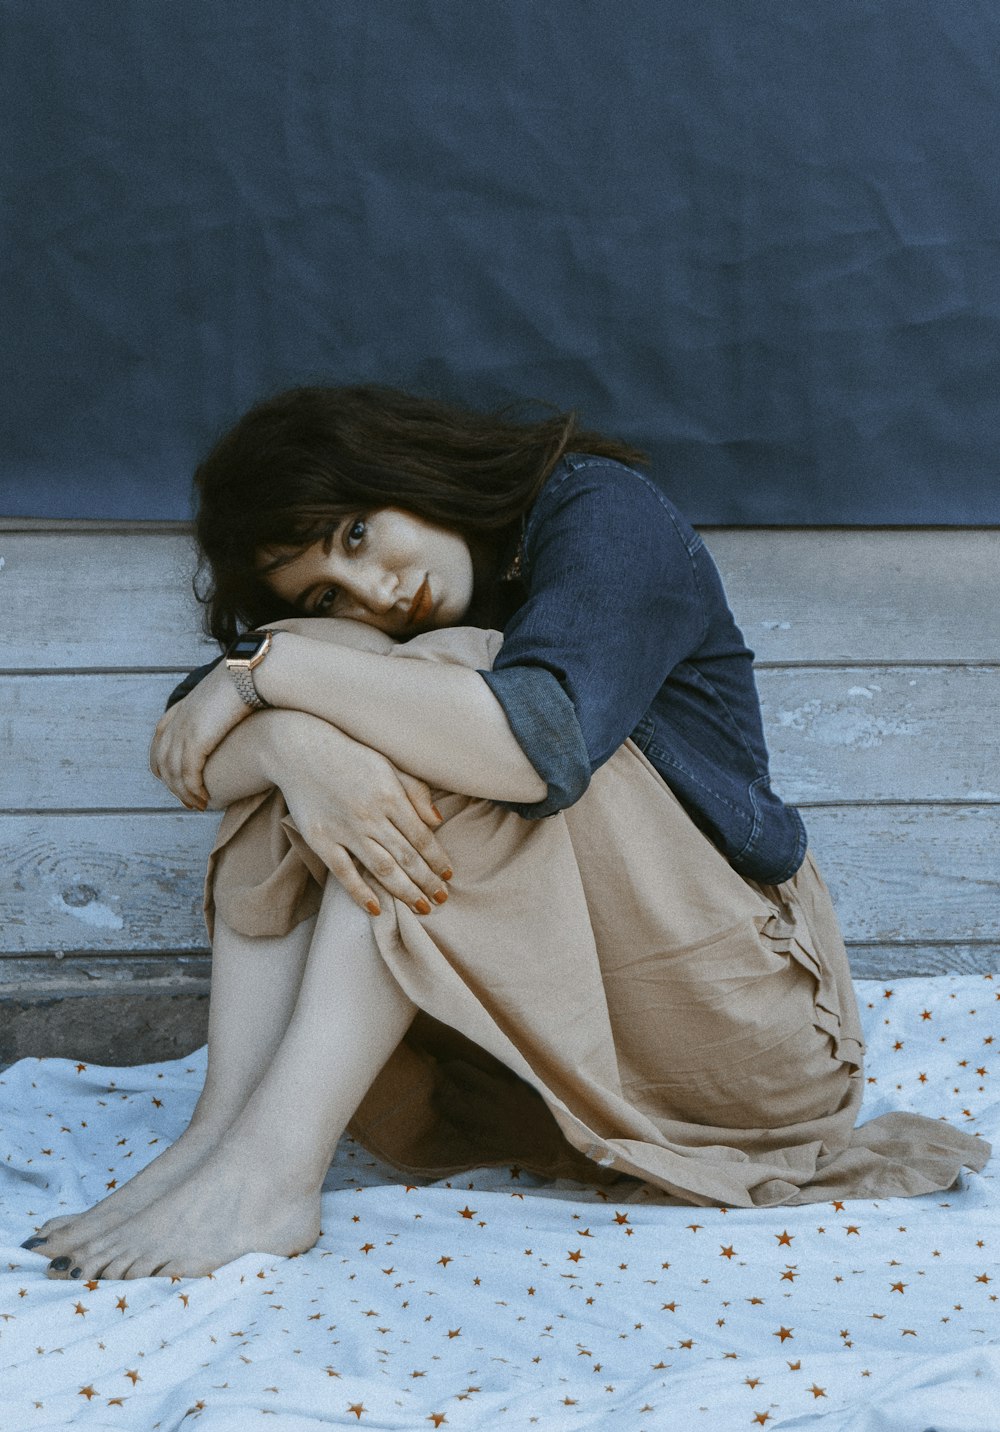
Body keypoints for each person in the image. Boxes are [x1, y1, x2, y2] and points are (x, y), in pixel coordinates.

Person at [25, 386, 988, 1282]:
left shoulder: (605, 512)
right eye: (323, 590)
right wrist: (289, 739)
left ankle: (275, 1173)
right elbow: (195, 755)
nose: (374, 587)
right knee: (343, 713)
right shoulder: (345, 647)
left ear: (404, 466)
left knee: (440, 688)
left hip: (749, 1040)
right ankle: (222, 1133)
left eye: (357, 533)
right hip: (545, 1052)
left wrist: (269, 679)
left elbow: (533, 747)